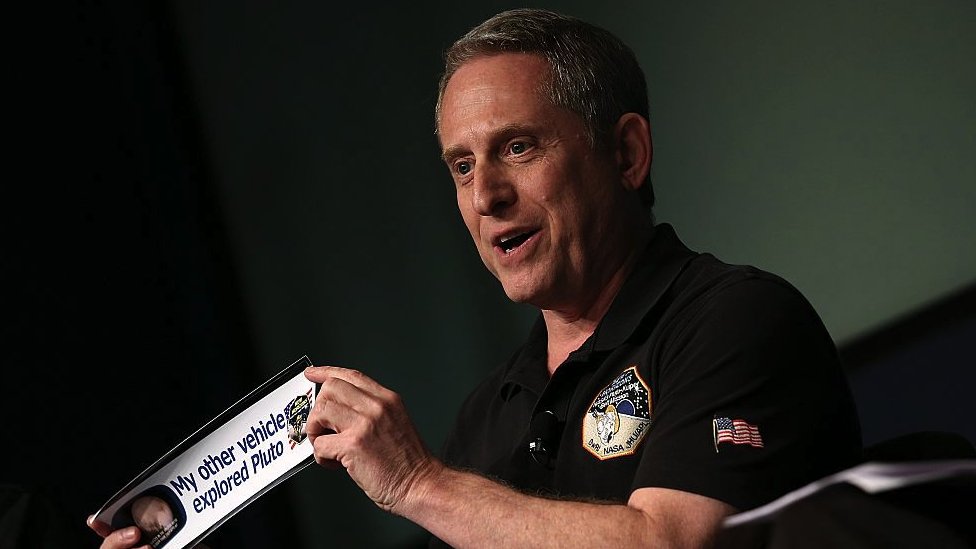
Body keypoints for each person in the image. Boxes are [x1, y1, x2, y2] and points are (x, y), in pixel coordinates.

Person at [92, 8, 861, 548]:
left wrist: (419, 483)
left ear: (626, 154)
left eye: (518, 148)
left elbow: (672, 543)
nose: (485, 196)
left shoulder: (736, 321)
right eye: (462, 165)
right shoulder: (489, 412)